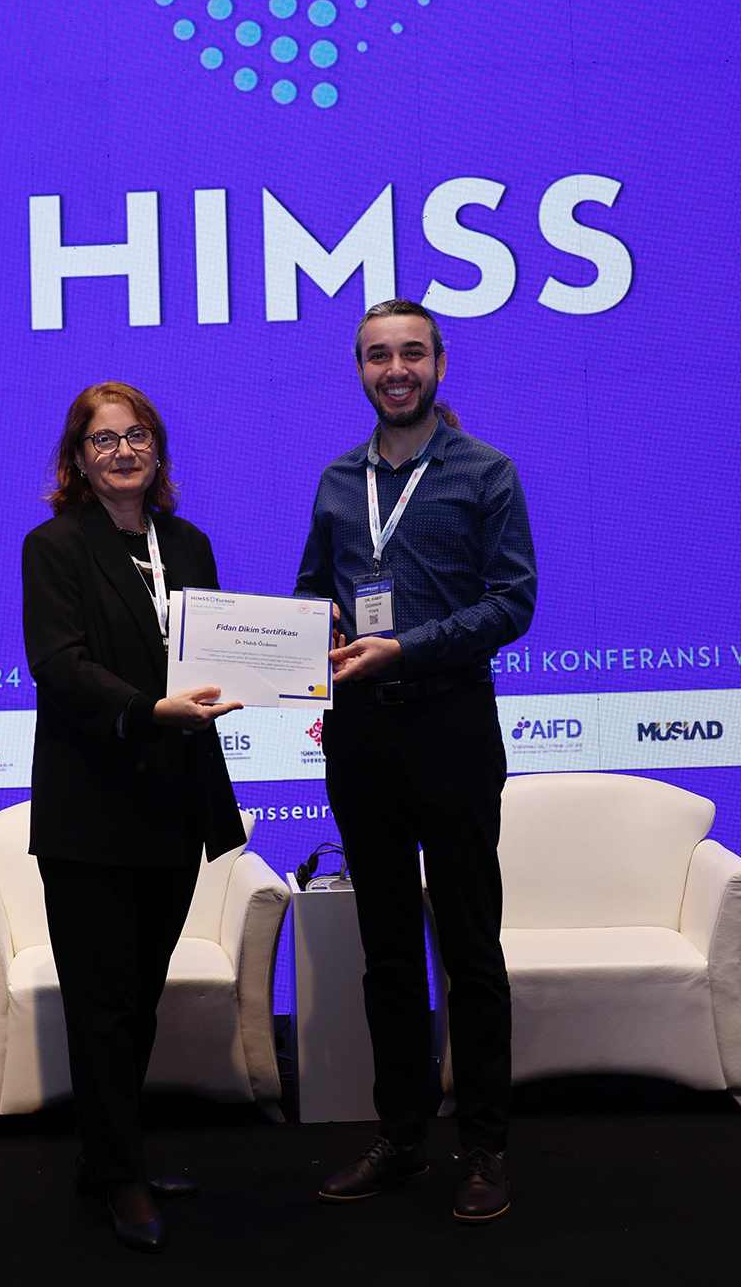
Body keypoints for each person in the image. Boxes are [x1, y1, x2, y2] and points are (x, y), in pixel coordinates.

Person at [295, 300, 536, 1223]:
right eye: (376, 356)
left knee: (471, 947)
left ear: (438, 362)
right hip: (362, 734)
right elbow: (311, 591)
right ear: (359, 370)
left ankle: (485, 1148)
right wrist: (313, 632)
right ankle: (400, 1137)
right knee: (388, 950)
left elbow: (512, 602)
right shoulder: (336, 479)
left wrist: (408, 648)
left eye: (410, 353)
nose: (394, 370)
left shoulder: (486, 472)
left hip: (451, 725)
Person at [22, 382, 244, 1255]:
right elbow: (60, 665)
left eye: (138, 435)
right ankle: (120, 1175)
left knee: (138, 998)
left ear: (158, 449)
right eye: (104, 439)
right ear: (78, 459)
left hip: (173, 802)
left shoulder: (187, 544)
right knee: (102, 1002)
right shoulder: (54, 547)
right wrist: (149, 710)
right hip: (92, 806)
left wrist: (293, 660)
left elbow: (222, 653)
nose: (124, 451)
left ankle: (109, 1157)